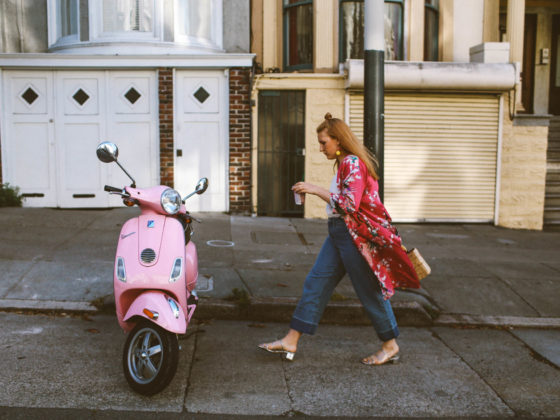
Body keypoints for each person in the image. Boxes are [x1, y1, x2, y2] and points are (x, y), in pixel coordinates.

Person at [258, 112, 420, 365]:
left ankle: (390, 345)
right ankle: (291, 339)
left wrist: (315, 189)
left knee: (369, 291)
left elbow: (349, 206)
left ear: (339, 141)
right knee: (316, 283)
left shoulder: (352, 163)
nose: (321, 148)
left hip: (353, 236)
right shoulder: (344, 163)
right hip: (339, 233)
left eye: (324, 142)